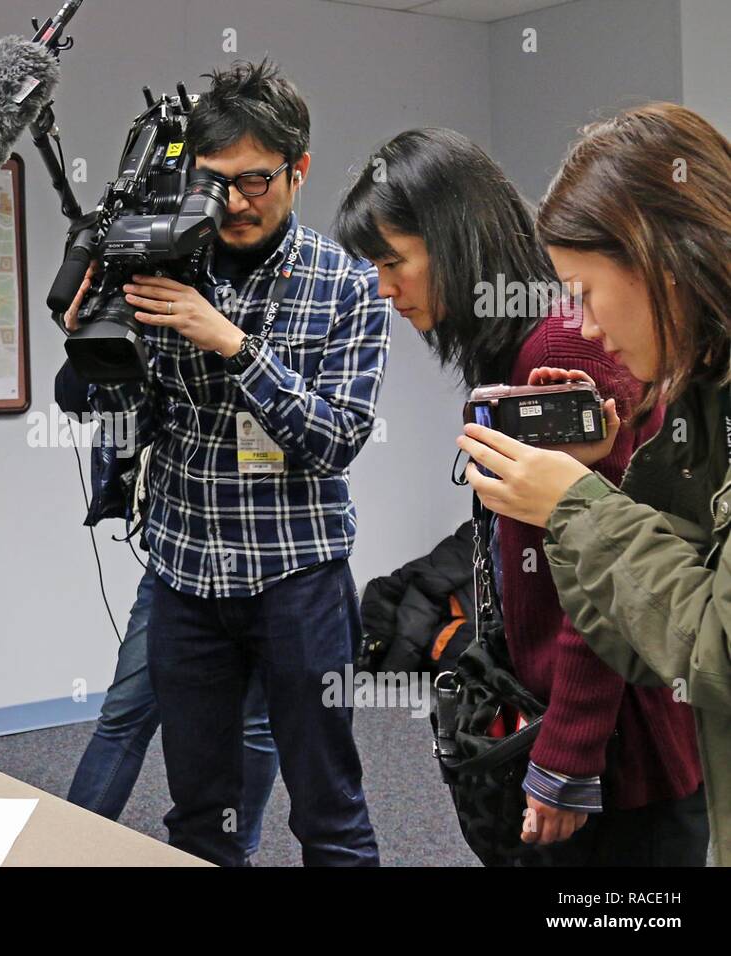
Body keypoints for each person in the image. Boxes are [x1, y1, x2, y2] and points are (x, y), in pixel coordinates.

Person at [334, 128, 704, 865]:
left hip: (614, 753)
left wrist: (566, 756)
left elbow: (607, 589)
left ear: (453, 242)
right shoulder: (524, 344)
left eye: (392, 263)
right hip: (572, 720)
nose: (383, 289)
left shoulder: (561, 345)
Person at [65, 59, 388, 867]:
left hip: (298, 576)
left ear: (298, 169)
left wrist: (236, 347)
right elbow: (100, 408)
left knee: (329, 810)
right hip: (185, 574)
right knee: (197, 813)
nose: (236, 204)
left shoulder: (346, 284)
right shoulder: (165, 263)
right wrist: (89, 343)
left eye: (256, 182)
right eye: (215, 183)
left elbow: (337, 439)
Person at [457, 103, 730, 864]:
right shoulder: (701, 396)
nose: (581, 326)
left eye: (583, 291)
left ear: (664, 267)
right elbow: (654, 629)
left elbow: (716, 646)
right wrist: (596, 478)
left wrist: (574, 507)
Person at [54, 360, 279, 860]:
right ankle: (66, 853)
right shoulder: (155, 316)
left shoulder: (276, 313)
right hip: (178, 562)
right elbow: (71, 394)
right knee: (125, 716)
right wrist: (84, 333)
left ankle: (234, 853)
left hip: (272, 560)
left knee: (256, 727)